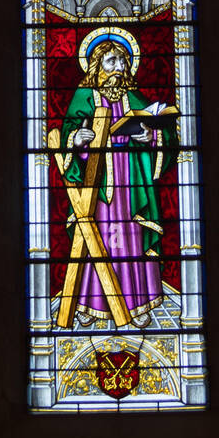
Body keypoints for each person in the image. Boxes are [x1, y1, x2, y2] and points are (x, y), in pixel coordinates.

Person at [59, 34, 177, 328]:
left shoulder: (134, 98)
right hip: (96, 183)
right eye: (112, 61)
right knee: (95, 237)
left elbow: (163, 134)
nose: (120, 67)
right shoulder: (84, 97)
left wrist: (150, 136)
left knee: (131, 240)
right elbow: (66, 133)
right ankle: (88, 304)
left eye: (123, 61)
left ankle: (137, 303)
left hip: (130, 180)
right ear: (97, 65)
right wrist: (77, 139)